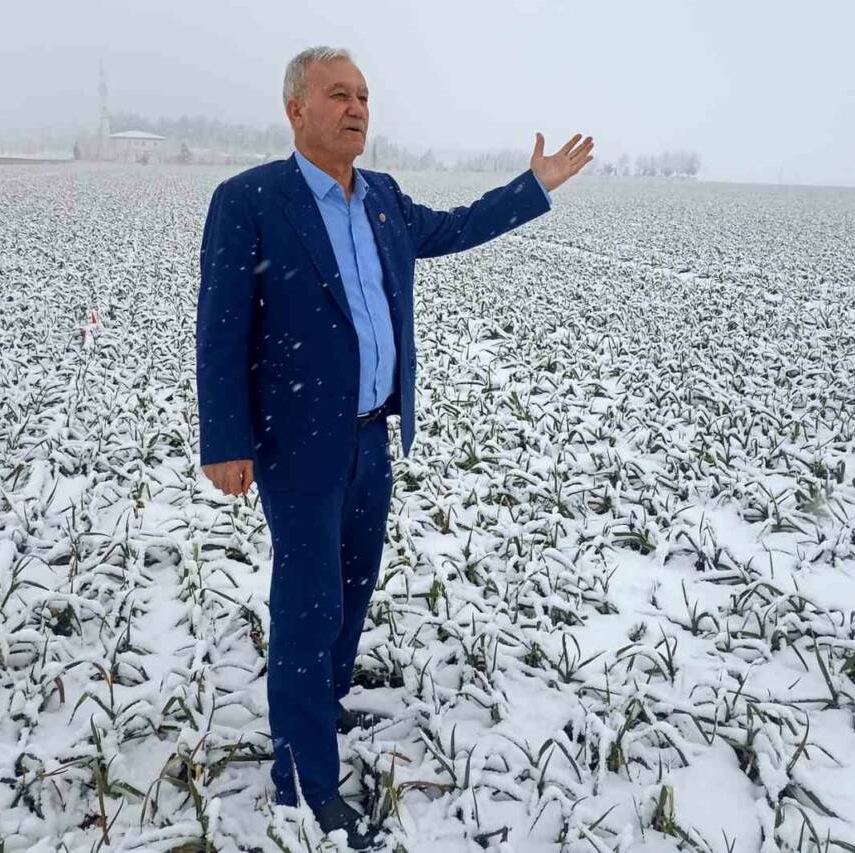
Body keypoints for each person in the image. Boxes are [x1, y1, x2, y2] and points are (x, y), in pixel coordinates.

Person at [195, 45, 593, 849]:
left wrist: (535, 187)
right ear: (295, 110)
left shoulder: (381, 199)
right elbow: (221, 326)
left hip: (373, 432)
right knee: (307, 602)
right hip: (296, 442)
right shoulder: (251, 201)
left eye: (365, 97)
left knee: (352, 581)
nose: (356, 108)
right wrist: (224, 440)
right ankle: (304, 778)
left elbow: (454, 229)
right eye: (338, 94)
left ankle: (327, 693)